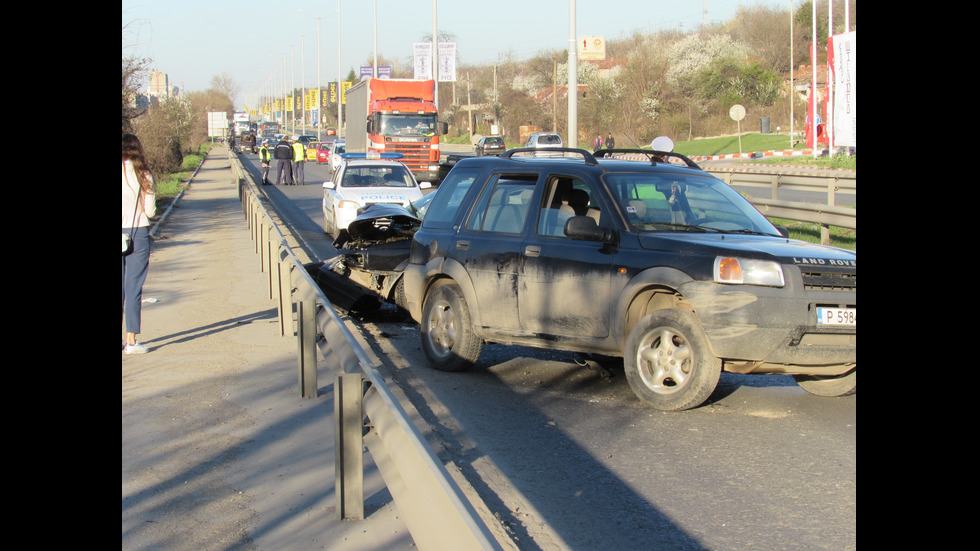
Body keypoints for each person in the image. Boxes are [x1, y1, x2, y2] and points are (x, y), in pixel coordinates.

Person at [122, 133, 157, 354]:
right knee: (133, 288)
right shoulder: (144, 175)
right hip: (137, 233)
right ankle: (131, 341)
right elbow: (151, 211)